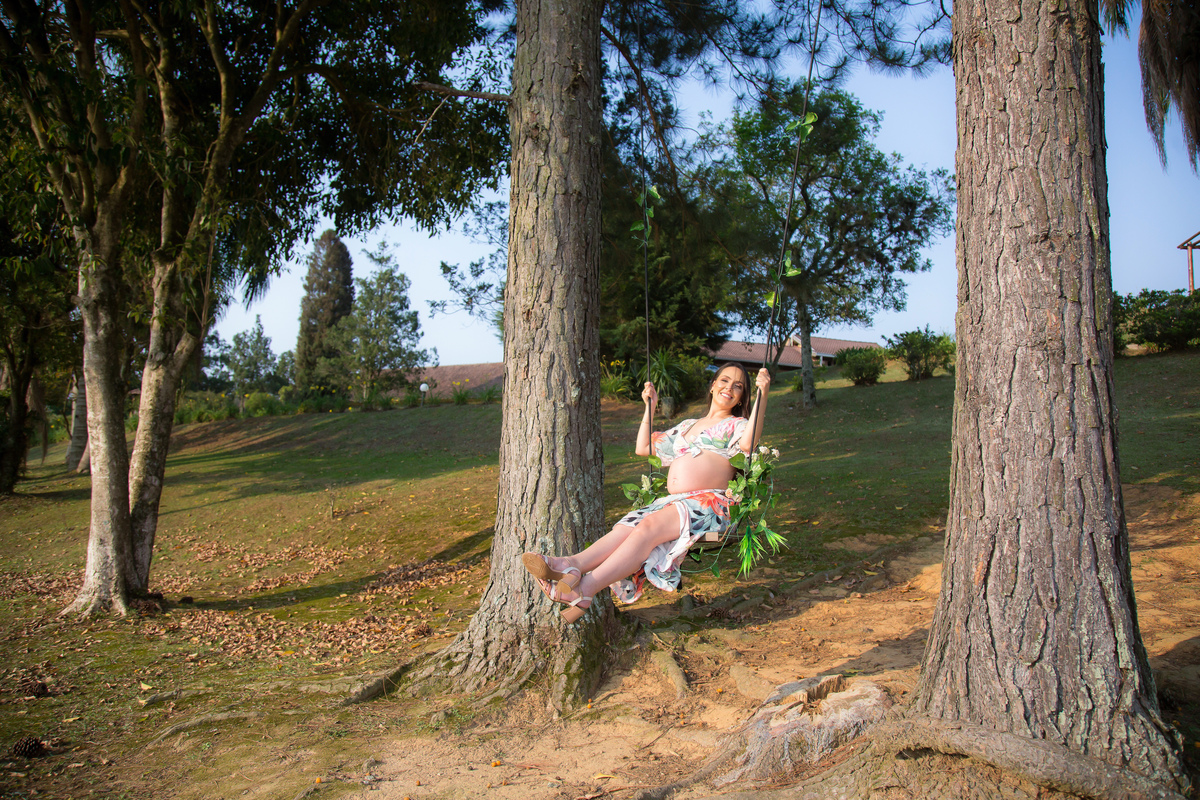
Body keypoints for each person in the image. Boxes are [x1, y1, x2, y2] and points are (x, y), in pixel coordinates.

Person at [522, 362, 772, 622]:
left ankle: (584, 590)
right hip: (676, 503)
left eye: (738, 386)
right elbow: (643, 448)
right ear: (712, 386)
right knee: (627, 527)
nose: (729, 387)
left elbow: (748, 443)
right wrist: (649, 407)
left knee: (648, 526)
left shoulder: (738, 424)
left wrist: (762, 395)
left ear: (742, 396)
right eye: (724, 380)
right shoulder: (687, 426)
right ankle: (570, 565)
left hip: (708, 507)